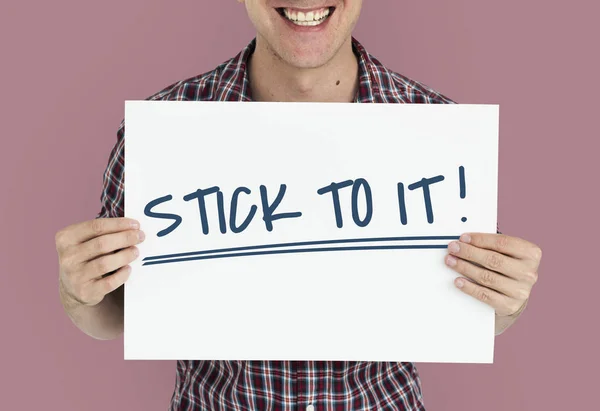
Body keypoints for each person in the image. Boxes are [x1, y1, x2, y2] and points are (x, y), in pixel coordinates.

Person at [55, 1, 542, 410]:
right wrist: (79, 292)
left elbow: (474, 307)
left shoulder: (441, 132)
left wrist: (507, 301)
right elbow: (114, 313)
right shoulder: (162, 131)